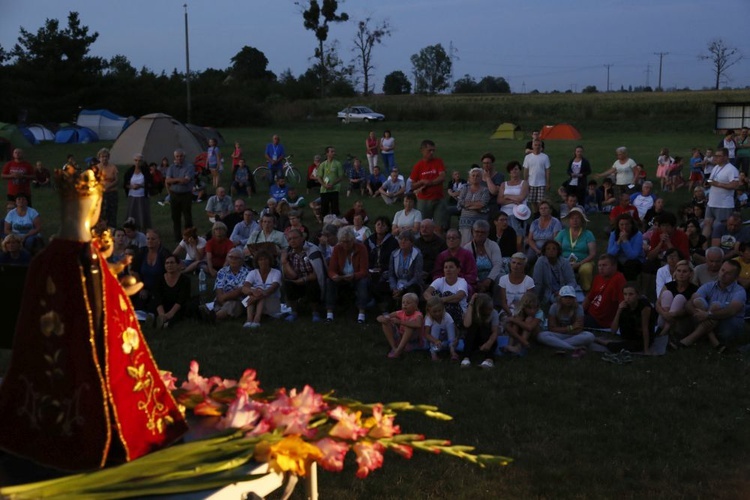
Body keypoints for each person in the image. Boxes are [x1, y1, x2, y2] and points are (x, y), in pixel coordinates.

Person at [0, 165, 187, 471]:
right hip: (89, 383)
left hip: (46, 375)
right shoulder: (87, 259)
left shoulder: (43, 260)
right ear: (97, 205)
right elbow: (98, 318)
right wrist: (120, 291)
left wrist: (112, 285)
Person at [680, 260, 745, 352]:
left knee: (716, 307)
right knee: (698, 302)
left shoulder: (739, 291)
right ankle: (713, 342)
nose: (723, 274)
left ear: (736, 277)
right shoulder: (709, 286)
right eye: (722, 270)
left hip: (728, 327)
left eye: (728, 273)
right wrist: (699, 314)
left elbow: (731, 311)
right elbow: (689, 303)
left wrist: (708, 315)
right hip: (711, 323)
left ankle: (694, 337)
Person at [326, 226, 370, 324]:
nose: (345, 244)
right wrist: (334, 276)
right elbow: (331, 269)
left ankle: (361, 313)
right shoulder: (337, 249)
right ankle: (329, 312)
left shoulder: (361, 248)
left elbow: (364, 270)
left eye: (348, 241)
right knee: (329, 281)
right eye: (342, 241)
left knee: (363, 282)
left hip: (356, 277)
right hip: (342, 277)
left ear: (353, 240)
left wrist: (354, 276)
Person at [598, 283, 657, 355]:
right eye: (625, 294)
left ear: (638, 295)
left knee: (615, 347)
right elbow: (613, 331)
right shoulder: (624, 306)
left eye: (631, 294)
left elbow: (645, 328)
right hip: (629, 335)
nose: (627, 297)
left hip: (641, 337)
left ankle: (603, 341)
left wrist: (646, 350)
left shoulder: (644, 306)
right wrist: (618, 311)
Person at [281, 228, 326, 322]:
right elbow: (292, 276)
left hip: (311, 278)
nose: (292, 241)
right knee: (288, 283)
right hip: (297, 279)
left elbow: (318, 272)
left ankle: (315, 312)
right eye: (289, 239)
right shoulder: (288, 252)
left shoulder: (313, 250)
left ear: (302, 238)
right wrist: (285, 262)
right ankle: (294, 312)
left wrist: (304, 279)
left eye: (295, 238)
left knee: (312, 284)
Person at [538, 285, 595, 356]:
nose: (568, 299)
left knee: (590, 336)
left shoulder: (578, 308)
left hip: (573, 335)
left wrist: (565, 330)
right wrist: (571, 327)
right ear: (560, 298)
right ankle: (573, 348)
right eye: (565, 297)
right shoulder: (554, 307)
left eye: (570, 297)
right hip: (558, 335)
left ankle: (558, 344)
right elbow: (551, 328)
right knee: (541, 335)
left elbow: (579, 329)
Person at [655, 259, 697, 345]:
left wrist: (676, 314)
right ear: (675, 272)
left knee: (680, 298)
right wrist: (665, 314)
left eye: (684, 271)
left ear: (690, 273)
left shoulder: (694, 289)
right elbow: (657, 304)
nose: (681, 274)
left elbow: (689, 310)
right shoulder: (668, 285)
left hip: (681, 321)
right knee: (666, 294)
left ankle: (665, 331)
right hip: (664, 318)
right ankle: (666, 329)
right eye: (679, 271)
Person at [131, 229, 171, 313]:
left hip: (160, 288)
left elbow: (169, 273)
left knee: (155, 301)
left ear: (159, 241)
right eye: (148, 238)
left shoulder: (164, 254)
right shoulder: (142, 252)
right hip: (143, 287)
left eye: (153, 239)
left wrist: (153, 291)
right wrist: (142, 288)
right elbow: (134, 271)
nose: (150, 241)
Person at [409, 140, 447, 231]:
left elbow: (442, 176)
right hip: (424, 200)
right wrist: (421, 182)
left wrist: (430, 183)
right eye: (429, 150)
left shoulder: (438, 162)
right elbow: (412, 185)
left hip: (438, 198)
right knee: (423, 226)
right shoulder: (418, 166)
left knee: (439, 226)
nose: (432, 152)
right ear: (422, 150)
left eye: (433, 150)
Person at [703, 148, 740, 239]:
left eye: (719, 156)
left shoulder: (732, 169)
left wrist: (718, 184)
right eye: (715, 155)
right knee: (707, 224)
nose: (716, 158)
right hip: (711, 202)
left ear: (726, 157)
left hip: (723, 205)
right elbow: (711, 179)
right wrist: (707, 182)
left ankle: (718, 247)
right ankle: (703, 246)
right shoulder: (716, 167)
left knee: (718, 227)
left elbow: (735, 185)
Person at [582, 254, 626, 329]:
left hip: (600, 320)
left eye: (605, 265)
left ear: (614, 266)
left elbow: (622, 304)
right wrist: (579, 311)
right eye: (599, 265)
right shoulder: (598, 278)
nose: (601, 268)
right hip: (591, 312)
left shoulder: (618, 279)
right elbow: (589, 297)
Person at [242, 250, 282, 328]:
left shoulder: (276, 272)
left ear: (270, 260)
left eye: (265, 259)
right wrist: (252, 291)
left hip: (271, 302)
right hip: (254, 302)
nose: (263, 261)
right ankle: (249, 320)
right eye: (260, 259)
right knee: (253, 291)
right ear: (257, 262)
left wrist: (256, 295)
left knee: (260, 291)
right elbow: (244, 288)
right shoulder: (253, 273)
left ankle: (257, 319)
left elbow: (272, 288)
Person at [424, 257, 469, 326]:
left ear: (458, 270)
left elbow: (458, 296)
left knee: (446, 294)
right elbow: (426, 293)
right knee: (435, 295)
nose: (448, 270)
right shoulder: (439, 281)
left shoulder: (462, 282)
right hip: (440, 311)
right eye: (446, 267)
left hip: (459, 313)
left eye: (451, 267)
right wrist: (434, 301)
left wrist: (440, 300)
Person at [152, 254, 193, 329]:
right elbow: (157, 297)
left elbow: (182, 299)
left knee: (184, 310)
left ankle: (164, 323)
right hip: (164, 305)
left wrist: (170, 314)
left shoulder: (185, 280)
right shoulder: (159, 279)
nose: (169, 265)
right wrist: (162, 314)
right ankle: (159, 321)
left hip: (178, 307)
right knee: (153, 305)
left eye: (172, 263)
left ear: (178, 265)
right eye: (167, 263)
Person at [378, 292, 424, 359]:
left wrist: (400, 322)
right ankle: (394, 348)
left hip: (413, 338)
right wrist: (381, 318)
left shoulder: (418, 314)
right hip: (402, 335)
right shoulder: (400, 312)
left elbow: (418, 324)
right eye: (403, 302)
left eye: (408, 303)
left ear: (415, 305)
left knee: (409, 327)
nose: (405, 305)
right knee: (385, 323)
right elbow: (385, 316)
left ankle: (398, 351)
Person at [386, 230, 423, 310]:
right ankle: (387, 310)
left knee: (411, 290)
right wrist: (394, 288)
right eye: (400, 239)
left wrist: (403, 288)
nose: (402, 242)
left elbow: (417, 277)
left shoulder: (417, 255)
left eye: (406, 240)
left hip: (411, 283)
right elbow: (391, 274)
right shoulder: (394, 254)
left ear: (412, 242)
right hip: (397, 282)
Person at [461, 293, 500, 369]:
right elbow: (466, 324)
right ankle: (466, 357)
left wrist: (489, 343)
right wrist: (471, 303)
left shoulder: (494, 313)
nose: (491, 310)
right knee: (472, 328)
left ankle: (489, 359)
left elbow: (495, 331)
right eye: (488, 309)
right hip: (473, 340)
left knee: (485, 327)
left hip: (487, 339)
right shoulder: (470, 312)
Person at [533, 239, 577, 306]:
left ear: (558, 251)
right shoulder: (540, 262)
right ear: (544, 251)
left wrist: (563, 291)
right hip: (548, 291)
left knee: (563, 300)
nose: (551, 251)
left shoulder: (564, 262)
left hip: (563, 291)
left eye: (554, 249)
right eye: (548, 249)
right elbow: (537, 282)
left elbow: (572, 281)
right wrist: (535, 299)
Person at [464, 220, 502, 296]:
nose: (479, 234)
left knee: (501, 278)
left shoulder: (493, 245)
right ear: (472, 232)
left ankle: (498, 305)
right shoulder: (467, 248)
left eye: (483, 232)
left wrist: (489, 279)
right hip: (474, 277)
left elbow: (497, 264)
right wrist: (478, 281)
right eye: (477, 231)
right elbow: (468, 268)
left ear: (487, 233)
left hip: (491, 277)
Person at [165, 149, 195, 242]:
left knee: (187, 216)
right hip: (174, 195)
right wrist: (178, 180)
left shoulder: (189, 166)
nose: (179, 158)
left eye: (181, 156)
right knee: (175, 216)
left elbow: (186, 180)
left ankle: (189, 235)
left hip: (186, 194)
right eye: (177, 156)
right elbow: (167, 181)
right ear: (175, 157)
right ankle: (177, 237)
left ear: (184, 156)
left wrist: (173, 180)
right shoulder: (171, 167)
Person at [366, 216, 400, 295]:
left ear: (388, 228)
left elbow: (394, 260)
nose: (380, 227)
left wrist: (382, 268)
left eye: (383, 225)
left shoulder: (393, 242)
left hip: (386, 270)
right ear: (374, 226)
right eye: (378, 224)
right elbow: (365, 257)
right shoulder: (369, 241)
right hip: (370, 269)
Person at [457, 167, 491, 244]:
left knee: (479, 243)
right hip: (465, 222)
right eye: (473, 175)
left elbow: (482, 204)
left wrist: (468, 205)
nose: (475, 177)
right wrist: (475, 204)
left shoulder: (485, 190)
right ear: (470, 178)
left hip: (480, 222)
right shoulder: (465, 189)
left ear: (481, 178)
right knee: (465, 244)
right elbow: (461, 202)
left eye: (477, 175)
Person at [607, 212, 645, 280]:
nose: (624, 227)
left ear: (631, 225)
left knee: (630, 264)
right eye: (621, 225)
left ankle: (629, 285)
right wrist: (618, 242)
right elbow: (610, 254)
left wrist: (625, 241)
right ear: (618, 225)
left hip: (635, 261)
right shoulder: (613, 234)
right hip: (619, 260)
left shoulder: (638, 235)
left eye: (627, 224)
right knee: (609, 262)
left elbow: (633, 256)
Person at [498, 252, 535, 317]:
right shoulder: (503, 279)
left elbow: (529, 302)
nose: (515, 266)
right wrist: (511, 314)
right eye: (513, 262)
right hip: (507, 311)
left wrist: (518, 315)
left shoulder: (529, 281)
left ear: (524, 266)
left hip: (523, 312)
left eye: (519, 264)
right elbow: (503, 303)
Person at [497, 160, 529, 235]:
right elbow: (499, 200)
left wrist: (507, 196)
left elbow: (521, 198)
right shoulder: (503, 184)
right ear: (509, 172)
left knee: (517, 235)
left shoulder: (524, 183)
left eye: (516, 169)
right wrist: (512, 201)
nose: (514, 171)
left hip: (519, 213)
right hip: (505, 213)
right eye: (512, 169)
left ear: (520, 171)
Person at [123, 154, 152, 231]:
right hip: (132, 195)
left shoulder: (145, 172)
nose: (138, 162)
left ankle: (143, 228)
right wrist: (132, 187)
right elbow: (125, 184)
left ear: (142, 162)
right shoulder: (129, 172)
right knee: (132, 212)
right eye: (136, 160)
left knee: (142, 213)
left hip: (142, 195)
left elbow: (150, 183)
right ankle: (130, 228)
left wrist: (141, 185)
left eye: (139, 161)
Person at [423, 297, 458, 362]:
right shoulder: (429, 318)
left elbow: (454, 328)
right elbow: (426, 334)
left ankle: (452, 351)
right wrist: (435, 340)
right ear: (429, 310)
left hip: (447, 341)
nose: (437, 313)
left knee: (450, 325)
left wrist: (456, 338)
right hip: (435, 341)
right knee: (435, 327)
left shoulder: (446, 315)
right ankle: (433, 353)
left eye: (439, 311)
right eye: (434, 312)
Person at [522, 139, 551, 214]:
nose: (537, 147)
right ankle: (536, 213)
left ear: (541, 147)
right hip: (531, 183)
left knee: (540, 201)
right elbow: (526, 170)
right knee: (532, 200)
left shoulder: (545, 157)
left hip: (541, 183)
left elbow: (547, 170)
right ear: (532, 146)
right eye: (535, 145)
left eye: (539, 145)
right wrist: (525, 182)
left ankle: (541, 213)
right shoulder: (528, 157)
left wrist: (548, 183)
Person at [317, 146, 344, 216]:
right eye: (331, 151)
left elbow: (341, 177)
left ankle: (336, 222)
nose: (333, 153)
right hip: (324, 190)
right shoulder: (323, 164)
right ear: (327, 153)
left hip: (334, 189)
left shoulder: (338, 164)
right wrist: (324, 185)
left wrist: (333, 184)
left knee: (335, 208)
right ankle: (324, 221)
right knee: (324, 208)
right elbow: (319, 177)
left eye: (334, 151)